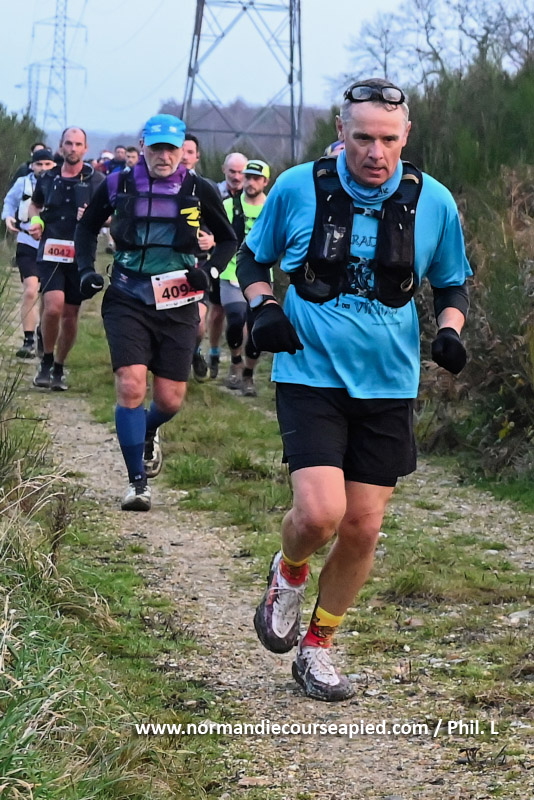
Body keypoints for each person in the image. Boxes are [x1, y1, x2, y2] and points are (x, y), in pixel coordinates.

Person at [236, 78, 471, 701]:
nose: (375, 151)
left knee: (363, 528)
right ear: (340, 131)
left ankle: (317, 649)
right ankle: (289, 571)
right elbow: (252, 260)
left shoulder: (433, 201)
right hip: (309, 372)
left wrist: (450, 330)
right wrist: (263, 307)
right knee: (320, 514)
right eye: (363, 137)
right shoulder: (297, 187)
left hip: (389, 382)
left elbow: (452, 283)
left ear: (406, 136)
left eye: (388, 139)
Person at [75, 114, 237, 512]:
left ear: (183, 151)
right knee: (131, 385)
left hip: (178, 301)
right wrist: (85, 271)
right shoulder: (117, 183)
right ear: (143, 147)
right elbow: (86, 228)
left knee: (170, 400)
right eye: (156, 148)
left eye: (171, 149)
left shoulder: (198, 188)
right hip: (128, 296)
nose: (163, 156)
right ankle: (137, 482)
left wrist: (210, 272)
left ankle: (147, 432)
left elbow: (228, 240)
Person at [28, 127, 104, 390]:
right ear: (61, 147)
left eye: (78, 144)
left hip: (80, 254)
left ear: (86, 148)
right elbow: (35, 205)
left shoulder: (97, 181)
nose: (72, 149)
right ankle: (46, 360)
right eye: (68, 144)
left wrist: (93, 217)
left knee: (70, 314)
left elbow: (111, 215)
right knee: (53, 307)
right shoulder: (48, 177)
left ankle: (59, 366)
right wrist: (36, 221)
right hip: (51, 249)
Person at [221, 159, 270, 396]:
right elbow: (217, 232)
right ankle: (235, 360)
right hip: (231, 270)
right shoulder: (229, 205)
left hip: (261, 273)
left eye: (256, 178)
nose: (250, 182)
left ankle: (249, 374)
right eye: (247, 177)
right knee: (235, 317)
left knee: (256, 329)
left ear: (265, 181)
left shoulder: (271, 207)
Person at [2, 148, 56, 357]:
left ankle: (43, 333)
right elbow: (9, 201)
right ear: (32, 166)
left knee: (49, 296)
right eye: (39, 164)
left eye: (47, 164)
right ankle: (28, 340)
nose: (43, 168)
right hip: (27, 241)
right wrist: (8, 217)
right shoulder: (23, 183)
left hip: (52, 244)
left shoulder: (60, 183)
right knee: (31, 290)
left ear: (54, 165)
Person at [180, 133, 216, 381]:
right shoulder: (158, 186)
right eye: (181, 150)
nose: (184, 156)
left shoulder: (207, 187)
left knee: (198, 323)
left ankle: (193, 352)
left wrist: (211, 240)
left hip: (198, 264)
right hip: (165, 265)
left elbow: (224, 230)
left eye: (190, 152)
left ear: (197, 157)